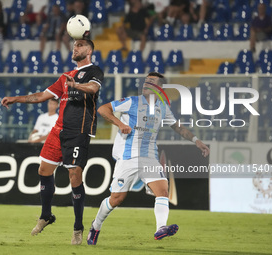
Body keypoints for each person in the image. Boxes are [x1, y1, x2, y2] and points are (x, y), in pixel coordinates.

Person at [87, 72, 210, 245]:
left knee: (163, 191)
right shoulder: (132, 102)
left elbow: (178, 127)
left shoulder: (163, 107)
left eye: (151, 82)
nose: (146, 84)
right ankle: (96, 225)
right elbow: (102, 109)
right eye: (146, 81)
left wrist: (197, 141)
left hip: (150, 157)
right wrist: (120, 124)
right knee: (116, 199)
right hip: (129, 157)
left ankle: (161, 228)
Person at [1, 38, 104, 245]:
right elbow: (42, 96)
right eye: (74, 45)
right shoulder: (65, 76)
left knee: (74, 176)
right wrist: (16, 98)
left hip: (78, 131)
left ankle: (77, 228)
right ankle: (46, 215)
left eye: (80, 45)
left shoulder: (95, 71)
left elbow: (93, 88)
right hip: (58, 130)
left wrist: (78, 86)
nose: (76, 48)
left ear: (90, 50)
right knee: (43, 170)